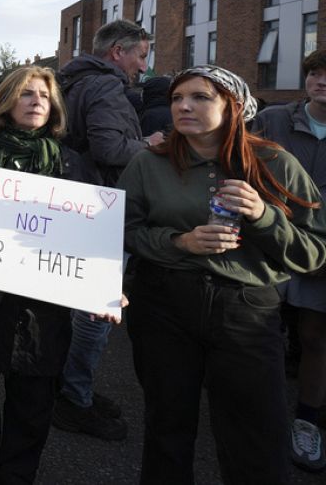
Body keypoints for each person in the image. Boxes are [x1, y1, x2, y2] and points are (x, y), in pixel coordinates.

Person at [119, 65, 326, 484]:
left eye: (199, 97)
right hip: (164, 305)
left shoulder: (274, 163)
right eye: (177, 98)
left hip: (246, 311)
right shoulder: (149, 163)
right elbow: (121, 230)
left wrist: (263, 215)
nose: (183, 106)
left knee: (255, 437)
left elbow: (314, 253)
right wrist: (180, 242)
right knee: (167, 428)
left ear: (232, 107)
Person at [0, 66, 113, 485]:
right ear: (7, 100)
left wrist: (104, 283)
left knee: (32, 405)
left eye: (45, 97)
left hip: (40, 312)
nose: (37, 102)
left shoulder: (71, 164)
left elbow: (89, 236)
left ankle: (16, 476)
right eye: (27, 94)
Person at [53, 19, 163, 441]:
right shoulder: (106, 86)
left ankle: (68, 388)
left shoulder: (73, 80)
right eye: (140, 55)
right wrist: (150, 143)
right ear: (118, 51)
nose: (142, 65)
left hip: (74, 202)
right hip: (98, 207)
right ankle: (74, 399)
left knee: (75, 306)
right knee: (95, 313)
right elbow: (110, 148)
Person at [250, 49, 326, 473]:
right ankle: (261, 412)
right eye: (315, 72)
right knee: (260, 331)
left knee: (316, 337)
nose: (321, 80)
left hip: (323, 246)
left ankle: (307, 421)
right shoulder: (275, 119)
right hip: (271, 242)